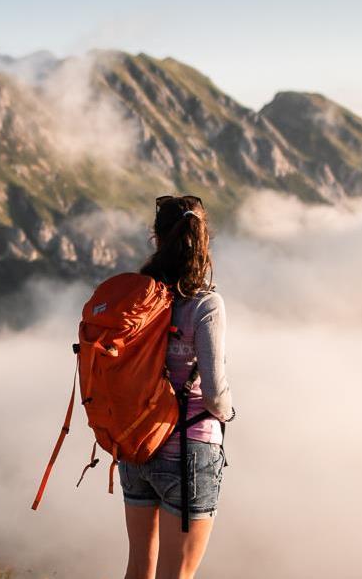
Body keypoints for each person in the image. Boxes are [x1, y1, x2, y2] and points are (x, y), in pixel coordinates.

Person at [118, 194, 233, 579]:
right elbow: (215, 393)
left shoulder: (137, 300)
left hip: (137, 445)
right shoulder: (205, 304)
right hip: (190, 448)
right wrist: (228, 413)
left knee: (138, 568)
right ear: (203, 240)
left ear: (156, 237)